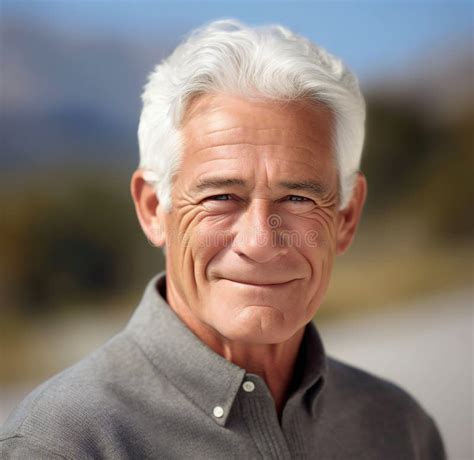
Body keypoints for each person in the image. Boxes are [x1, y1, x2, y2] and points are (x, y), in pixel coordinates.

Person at [0, 19, 446, 459]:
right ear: (154, 209)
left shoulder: (400, 429)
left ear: (346, 216)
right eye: (222, 196)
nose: (259, 242)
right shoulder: (62, 445)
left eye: (296, 197)